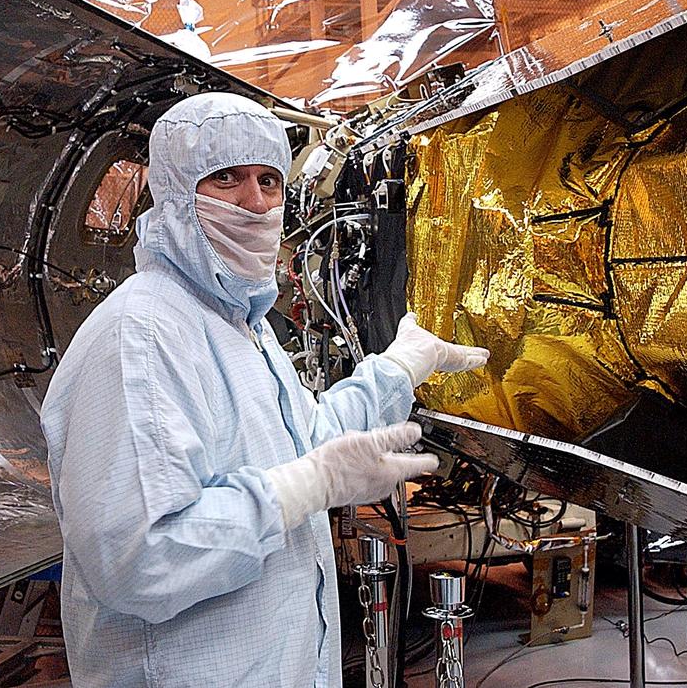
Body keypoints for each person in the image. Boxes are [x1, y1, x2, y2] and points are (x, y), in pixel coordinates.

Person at [39, 92, 489, 687]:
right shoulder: (143, 337)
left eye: (270, 181)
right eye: (226, 179)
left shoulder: (239, 326)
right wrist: (306, 488)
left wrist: (400, 368)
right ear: (174, 194)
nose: (255, 203)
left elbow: (307, 443)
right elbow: (139, 558)